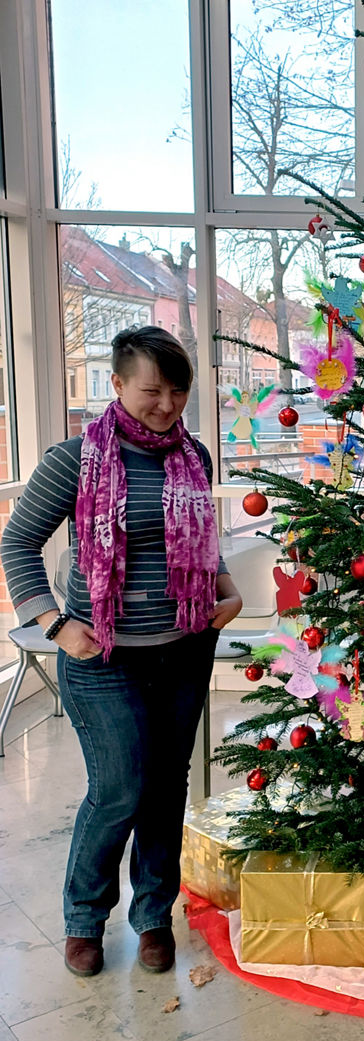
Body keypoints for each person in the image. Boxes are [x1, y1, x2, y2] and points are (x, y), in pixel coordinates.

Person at [0, 327, 242, 978]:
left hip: (184, 648)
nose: (166, 404)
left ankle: (153, 915)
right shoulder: (73, 460)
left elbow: (199, 539)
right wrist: (53, 624)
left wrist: (224, 586)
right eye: (150, 390)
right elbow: (16, 543)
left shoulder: (193, 456)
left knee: (166, 790)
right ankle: (85, 916)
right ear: (115, 385)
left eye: (177, 391)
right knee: (119, 789)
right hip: (102, 657)